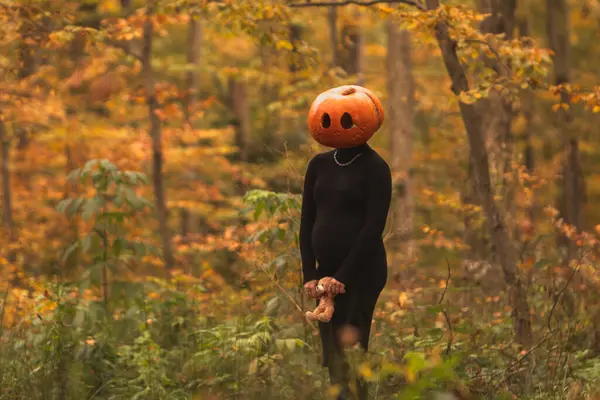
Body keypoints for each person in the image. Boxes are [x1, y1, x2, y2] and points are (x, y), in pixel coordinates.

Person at [300, 141, 392, 400]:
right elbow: (307, 220)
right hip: (325, 272)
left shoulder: (376, 167)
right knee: (333, 352)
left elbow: (373, 228)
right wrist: (310, 273)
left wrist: (343, 277)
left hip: (362, 271)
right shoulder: (318, 164)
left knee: (349, 350)